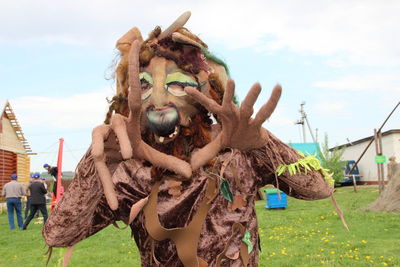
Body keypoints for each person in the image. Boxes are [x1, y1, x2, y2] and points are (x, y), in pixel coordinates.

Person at [43, 12, 333, 266]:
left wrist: (262, 143)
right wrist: (99, 164)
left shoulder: (237, 149)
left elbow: (320, 187)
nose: (159, 98)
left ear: (206, 92)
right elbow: (59, 233)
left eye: (178, 83)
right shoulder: (129, 168)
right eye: (144, 84)